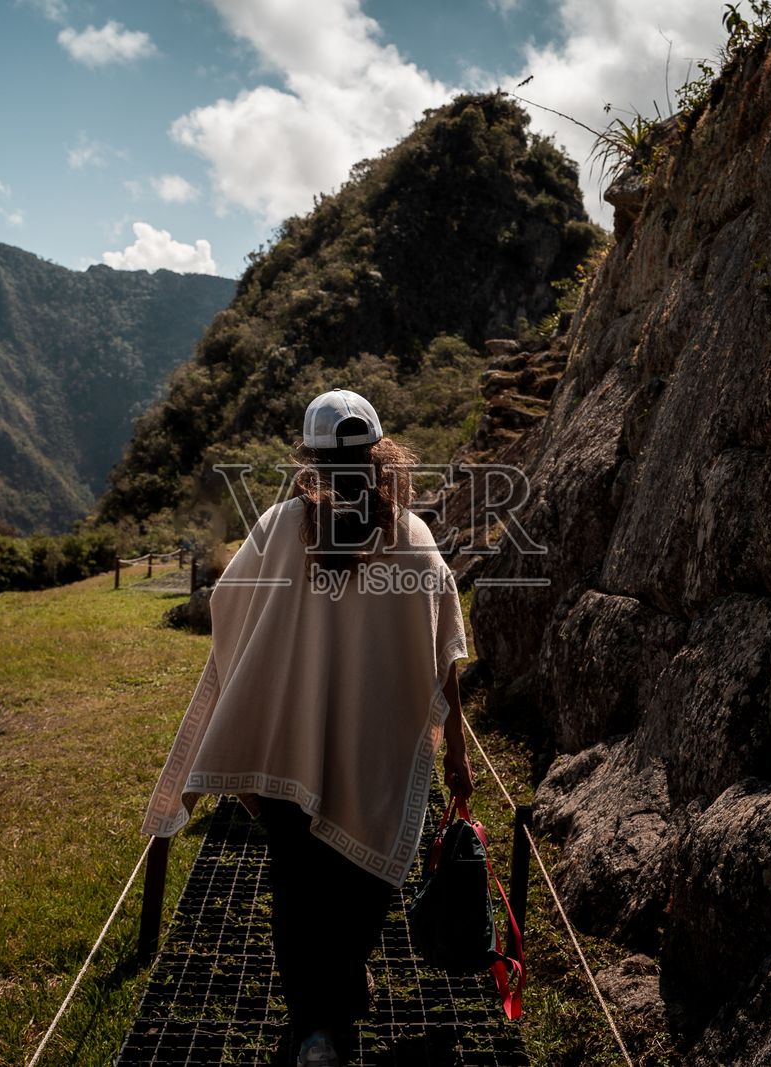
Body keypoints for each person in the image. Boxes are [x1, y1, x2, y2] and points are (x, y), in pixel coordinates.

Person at [141, 387, 474, 1067]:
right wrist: (457, 750)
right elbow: (446, 650)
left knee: (295, 882)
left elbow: (228, 608)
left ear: (308, 459)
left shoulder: (276, 528)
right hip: (376, 751)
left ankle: (317, 1027)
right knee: (364, 881)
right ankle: (336, 1008)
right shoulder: (410, 536)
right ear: (382, 455)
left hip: (288, 747)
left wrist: (267, 672)